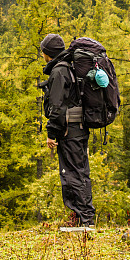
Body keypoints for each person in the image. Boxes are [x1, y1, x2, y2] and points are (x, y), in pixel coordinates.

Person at [41, 33, 95, 228]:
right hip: (79, 128)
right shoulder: (70, 67)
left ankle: (85, 221)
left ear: (48, 53)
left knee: (72, 173)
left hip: (69, 131)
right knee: (80, 171)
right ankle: (83, 219)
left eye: (43, 52)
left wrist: (51, 134)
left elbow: (57, 108)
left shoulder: (59, 72)